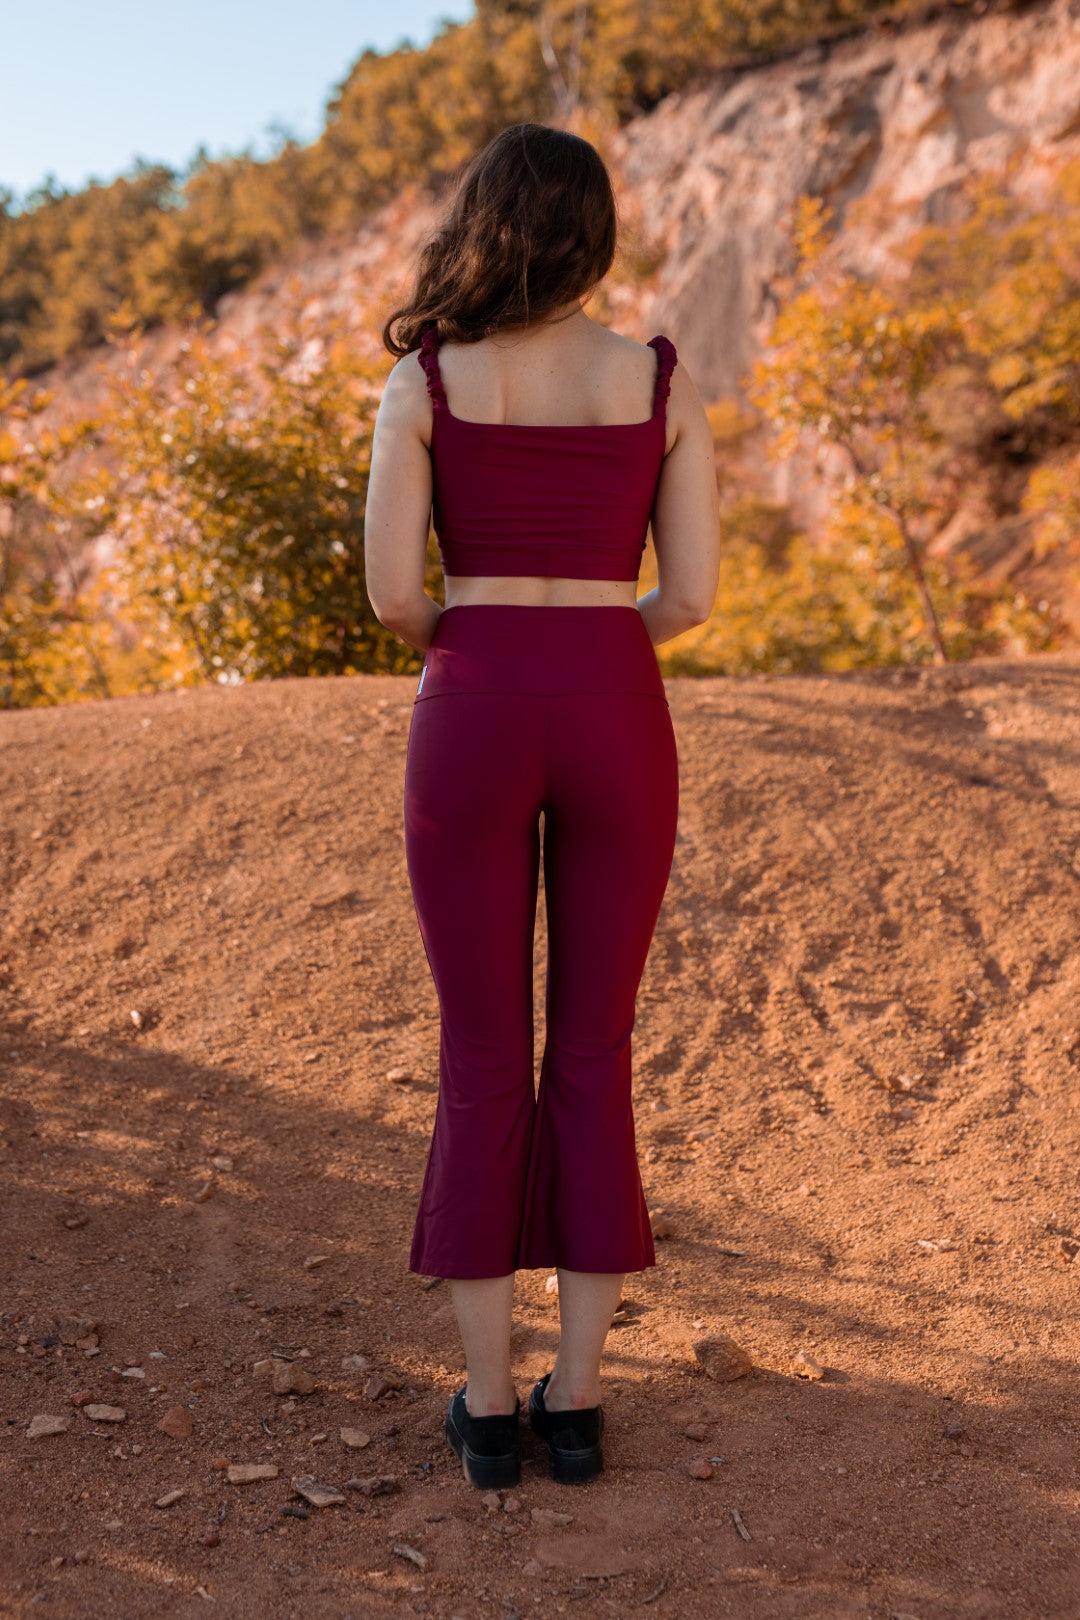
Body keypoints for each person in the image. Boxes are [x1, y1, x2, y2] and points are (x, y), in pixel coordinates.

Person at [365, 121, 721, 1488]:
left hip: (473, 697)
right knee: (593, 1048)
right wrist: (587, 639)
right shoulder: (658, 380)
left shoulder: (429, 380)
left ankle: (488, 1406)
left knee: (479, 1052)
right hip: (615, 700)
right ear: (597, 235)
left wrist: (486, 647)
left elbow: (399, 596)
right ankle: (577, 1404)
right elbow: (687, 599)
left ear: (482, 224)